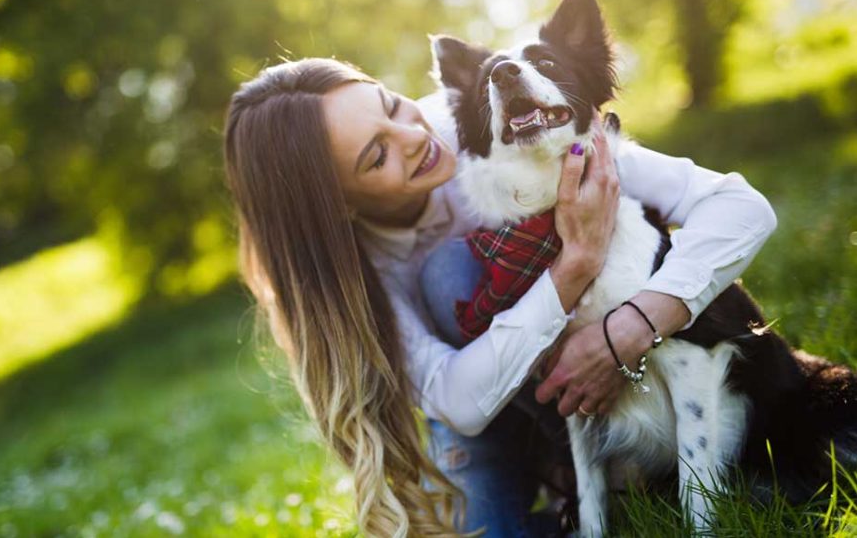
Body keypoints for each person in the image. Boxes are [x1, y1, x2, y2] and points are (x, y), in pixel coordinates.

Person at [223, 58, 777, 537]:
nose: (415, 137)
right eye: (376, 156)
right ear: (339, 207)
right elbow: (458, 402)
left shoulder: (490, 118)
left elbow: (742, 209)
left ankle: (627, 476)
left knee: (449, 273)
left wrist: (632, 328)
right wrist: (572, 267)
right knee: (448, 281)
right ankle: (571, 480)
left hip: (617, 367)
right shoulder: (352, 269)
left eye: (391, 105)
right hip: (488, 412)